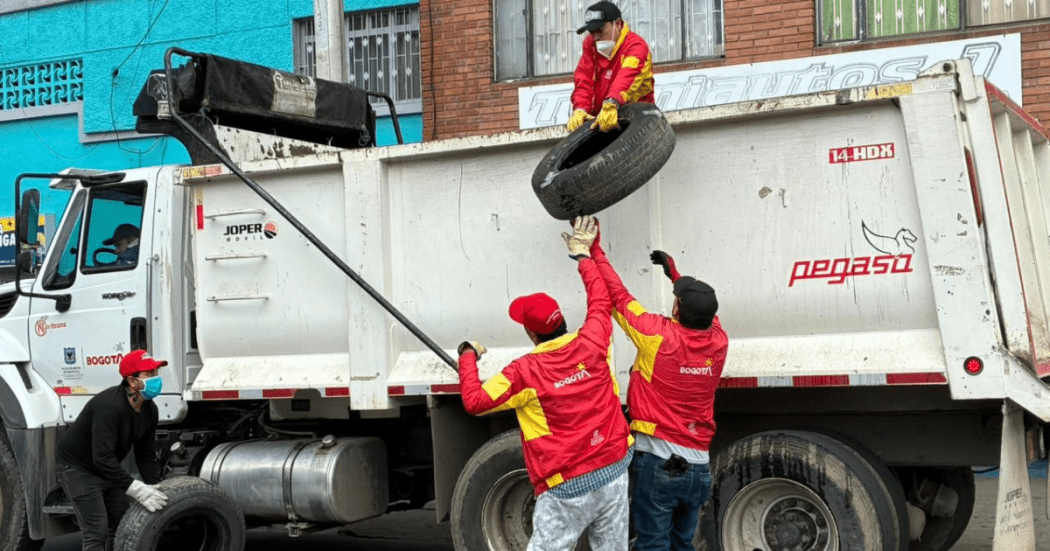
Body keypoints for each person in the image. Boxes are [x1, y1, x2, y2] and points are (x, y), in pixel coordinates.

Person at [457, 216, 634, 551]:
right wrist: (584, 255)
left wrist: (467, 356)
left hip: (567, 488)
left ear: (532, 333)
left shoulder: (524, 372)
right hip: (613, 470)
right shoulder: (593, 340)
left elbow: (475, 401)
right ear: (562, 320)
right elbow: (601, 300)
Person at [589, 227, 728, 551]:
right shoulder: (719, 341)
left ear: (677, 309)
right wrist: (675, 274)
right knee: (682, 543)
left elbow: (619, 298)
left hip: (659, 462)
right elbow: (706, 311)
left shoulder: (657, 336)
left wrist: (596, 250)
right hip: (698, 469)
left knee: (652, 544)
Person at [56, 349, 169, 551]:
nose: (156, 379)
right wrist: (137, 489)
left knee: (120, 525)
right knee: (96, 531)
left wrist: (154, 487)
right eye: (150, 374)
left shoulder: (150, 409)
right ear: (132, 381)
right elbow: (101, 458)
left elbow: (145, 454)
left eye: (156, 372)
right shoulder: (109, 406)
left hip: (107, 467)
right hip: (79, 468)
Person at [567, 1, 655, 133]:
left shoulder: (636, 46)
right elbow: (584, 79)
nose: (596, 37)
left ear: (618, 24)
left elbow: (628, 75)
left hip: (637, 122)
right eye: (592, 32)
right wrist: (580, 109)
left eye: (600, 31)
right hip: (602, 122)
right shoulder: (590, 45)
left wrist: (612, 102)